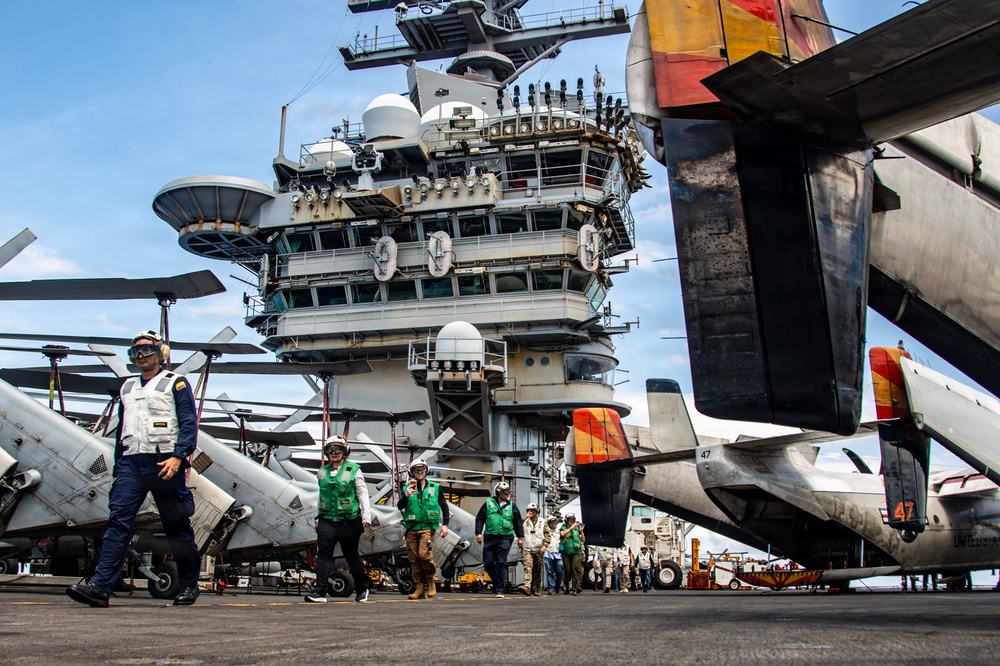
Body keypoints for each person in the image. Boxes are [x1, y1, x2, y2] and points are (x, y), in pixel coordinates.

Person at [67, 330, 201, 608]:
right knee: (117, 524)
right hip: (130, 464)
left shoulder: (176, 383)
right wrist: (118, 468)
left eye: (146, 350)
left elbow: (188, 422)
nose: (140, 356)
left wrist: (179, 456)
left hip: (165, 462)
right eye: (135, 352)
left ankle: (188, 585)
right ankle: (100, 588)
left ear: (160, 354)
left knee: (176, 526)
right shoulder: (126, 387)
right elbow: (122, 432)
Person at [305, 435, 372, 603]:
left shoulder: (354, 469)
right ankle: (319, 591)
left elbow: (362, 493)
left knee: (351, 556)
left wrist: (366, 516)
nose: (334, 452)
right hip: (327, 520)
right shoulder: (322, 472)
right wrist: (317, 519)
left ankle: (362, 588)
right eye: (330, 449)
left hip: (349, 520)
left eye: (338, 449)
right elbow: (321, 496)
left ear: (345, 451)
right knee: (323, 555)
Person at [397, 459, 449, 600]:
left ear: (426, 471)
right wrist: (406, 495)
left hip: (427, 528)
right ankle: (419, 587)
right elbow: (399, 506)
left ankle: (430, 580)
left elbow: (444, 506)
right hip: (412, 528)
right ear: (412, 472)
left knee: (424, 555)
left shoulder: (435, 487)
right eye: (416, 470)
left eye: (422, 469)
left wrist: (445, 524)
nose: (419, 472)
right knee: (414, 559)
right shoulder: (406, 488)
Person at [475, 481, 524, 598]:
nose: (507, 494)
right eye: (505, 492)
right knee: (489, 563)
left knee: (501, 562)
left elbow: (517, 522)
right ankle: (497, 582)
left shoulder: (512, 505)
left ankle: (500, 590)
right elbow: (480, 518)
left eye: (508, 492)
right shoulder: (488, 503)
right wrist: (478, 533)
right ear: (498, 492)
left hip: (505, 537)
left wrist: (520, 537)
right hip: (490, 537)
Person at [518, 503, 549, 596]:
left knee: (537, 569)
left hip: (539, 549)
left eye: (533, 511)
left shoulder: (542, 522)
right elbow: (518, 527)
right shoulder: (525, 521)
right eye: (529, 511)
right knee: (528, 567)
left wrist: (545, 545)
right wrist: (525, 517)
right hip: (527, 548)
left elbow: (547, 535)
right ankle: (527, 586)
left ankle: (536, 589)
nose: (531, 512)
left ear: (537, 512)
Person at [559, 513, 585, 595]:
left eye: (573, 520)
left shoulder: (577, 529)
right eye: (570, 520)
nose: (572, 521)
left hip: (576, 552)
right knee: (567, 570)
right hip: (566, 552)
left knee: (574, 569)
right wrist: (571, 528)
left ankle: (574, 588)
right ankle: (566, 587)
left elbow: (583, 540)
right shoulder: (563, 528)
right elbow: (562, 534)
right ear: (566, 520)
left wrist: (581, 531)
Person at [543, 516, 563, 595]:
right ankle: (551, 588)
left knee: (560, 570)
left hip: (557, 554)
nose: (554, 524)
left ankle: (557, 585)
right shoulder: (545, 531)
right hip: (548, 553)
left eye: (555, 522)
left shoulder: (559, 531)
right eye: (552, 522)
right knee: (549, 571)